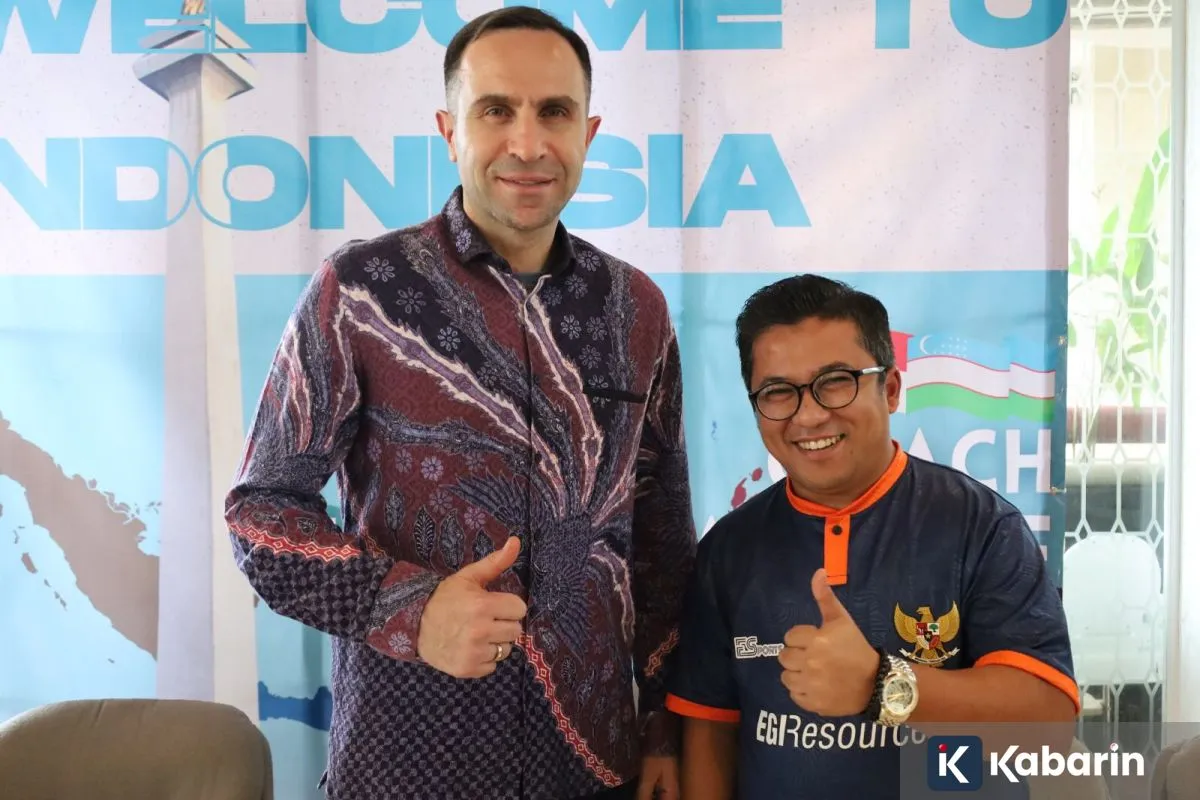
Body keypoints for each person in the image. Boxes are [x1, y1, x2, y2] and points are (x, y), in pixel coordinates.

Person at [224, 7, 697, 799]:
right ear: (449, 131)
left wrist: (662, 731)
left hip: (591, 764)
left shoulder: (635, 309)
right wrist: (411, 609)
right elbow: (260, 514)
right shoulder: (362, 294)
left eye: (554, 112)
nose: (528, 143)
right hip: (407, 763)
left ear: (589, 132)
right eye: (496, 110)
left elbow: (661, 542)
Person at [664, 275, 1080, 799]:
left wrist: (882, 684)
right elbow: (710, 733)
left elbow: (1047, 726)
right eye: (778, 392)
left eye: (836, 381)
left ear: (891, 388)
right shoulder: (728, 550)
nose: (809, 414)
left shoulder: (982, 527)